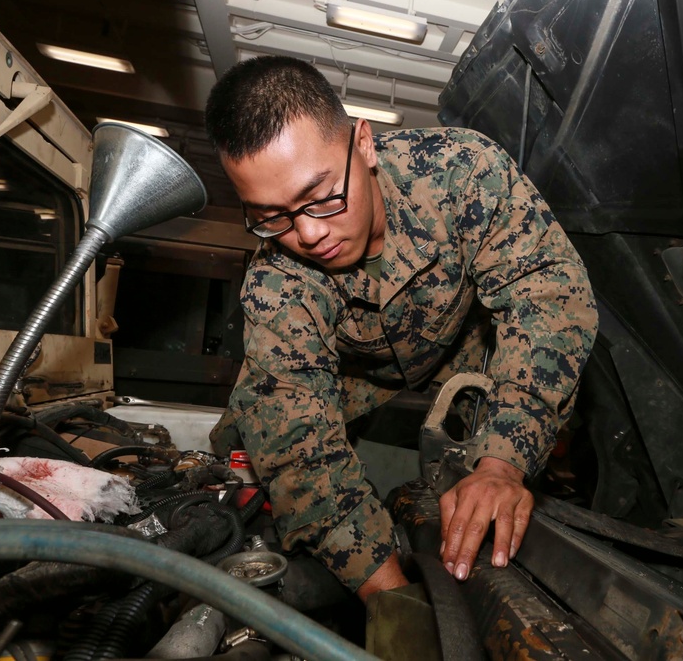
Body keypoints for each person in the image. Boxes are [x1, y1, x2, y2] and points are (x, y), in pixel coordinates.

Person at [204, 56, 598, 602]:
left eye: (321, 196)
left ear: (363, 143)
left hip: (465, 351)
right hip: (352, 375)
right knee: (252, 438)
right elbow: (300, 451)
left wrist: (504, 461)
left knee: (549, 451)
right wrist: (395, 604)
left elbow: (549, 296)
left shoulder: (462, 172)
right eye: (272, 216)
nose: (309, 233)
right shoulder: (276, 280)